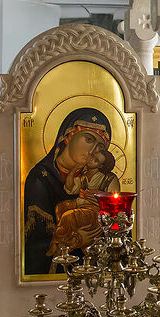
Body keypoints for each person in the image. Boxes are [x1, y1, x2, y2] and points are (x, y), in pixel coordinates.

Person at [23, 108, 111, 275]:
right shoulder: (41, 178)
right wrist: (75, 241)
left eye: (100, 147)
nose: (93, 150)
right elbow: (35, 242)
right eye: (89, 139)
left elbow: (117, 230)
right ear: (69, 135)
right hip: (52, 279)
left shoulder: (98, 181)